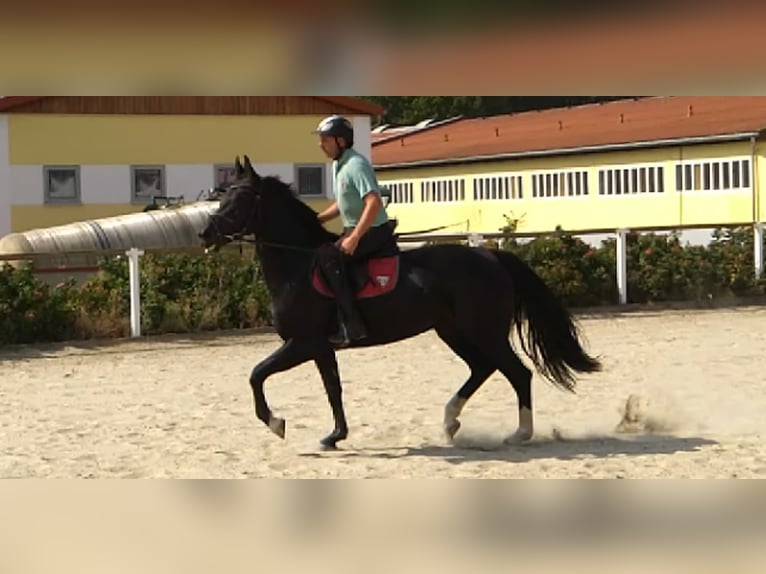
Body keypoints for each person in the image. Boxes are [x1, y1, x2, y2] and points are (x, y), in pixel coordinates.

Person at [314, 115, 396, 347]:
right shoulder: (338, 165)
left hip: (373, 230)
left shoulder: (356, 165)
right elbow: (343, 203)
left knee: (330, 259)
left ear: (341, 141)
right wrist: (318, 219)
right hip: (353, 227)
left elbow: (373, 202)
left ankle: (353, 325)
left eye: (325, 140)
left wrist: (355, 238)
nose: (321, 145)